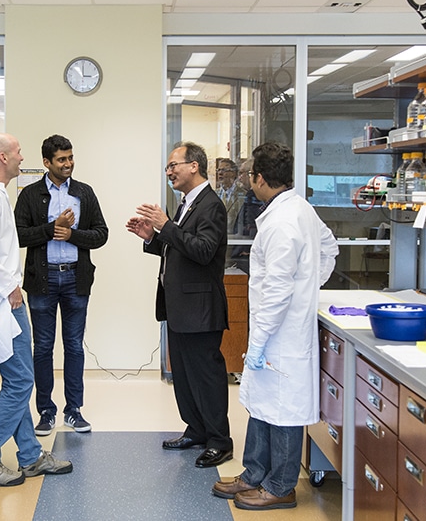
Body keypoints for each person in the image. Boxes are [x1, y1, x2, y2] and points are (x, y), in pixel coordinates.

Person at [212, 141, 338, 510]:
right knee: (262, 404)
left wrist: (263, 336)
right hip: (279, 328)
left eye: (250, 174)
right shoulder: (298, 210)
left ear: (260, 178)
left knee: (281, 409)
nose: (249, 180)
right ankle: (254, 474)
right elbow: (329, 249)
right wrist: (310, 283)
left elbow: (278, 290)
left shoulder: (284, 221)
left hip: (281, 331)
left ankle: (280, 486)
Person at [0, 133, 73, 487]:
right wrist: (9, 285)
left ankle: (30, 455)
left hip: (5, 301)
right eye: (19, 152)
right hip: (2, 302)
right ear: (4, 158)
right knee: (21, 381)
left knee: (16, 381)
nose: (24, 157)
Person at [126, 140, 233, 468]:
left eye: (174, 165)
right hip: (180, 308)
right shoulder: (188, 203)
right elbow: (180, 250)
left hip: (201, 309)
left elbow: (202, 251)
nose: (169, 171)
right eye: (168, 167)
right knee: (184, 375)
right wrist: (153, 237)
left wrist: (166, 225)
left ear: (194, 166)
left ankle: (219, 440)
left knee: (206, 376)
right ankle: (196, 429)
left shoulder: (211, 205)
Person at [14, 134, 109, 436]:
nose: (68, 164)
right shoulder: (30, 195)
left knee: (73, 346)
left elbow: (101, 234)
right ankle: (45, 411)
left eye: (70, 157)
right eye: (61, 159)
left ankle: (74, 410)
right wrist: (52, 229)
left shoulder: (84, 193)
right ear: (46, 162)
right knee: (42, 347)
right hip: (42, 280)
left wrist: (72, 235)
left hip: (75, 279)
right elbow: (18, 236)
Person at [229, 157, 263, 273]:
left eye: (243, 173)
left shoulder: (254, 196)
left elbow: (252, 224)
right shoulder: (247, 195)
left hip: (248, 251)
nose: (240, 177)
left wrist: (247, 249)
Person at [215, 158, 245, 233]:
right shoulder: (213, 195)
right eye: (218, 170)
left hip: (234, 239)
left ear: (233, 173)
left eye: (224, 170)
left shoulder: (243, 195)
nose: (220, 173)